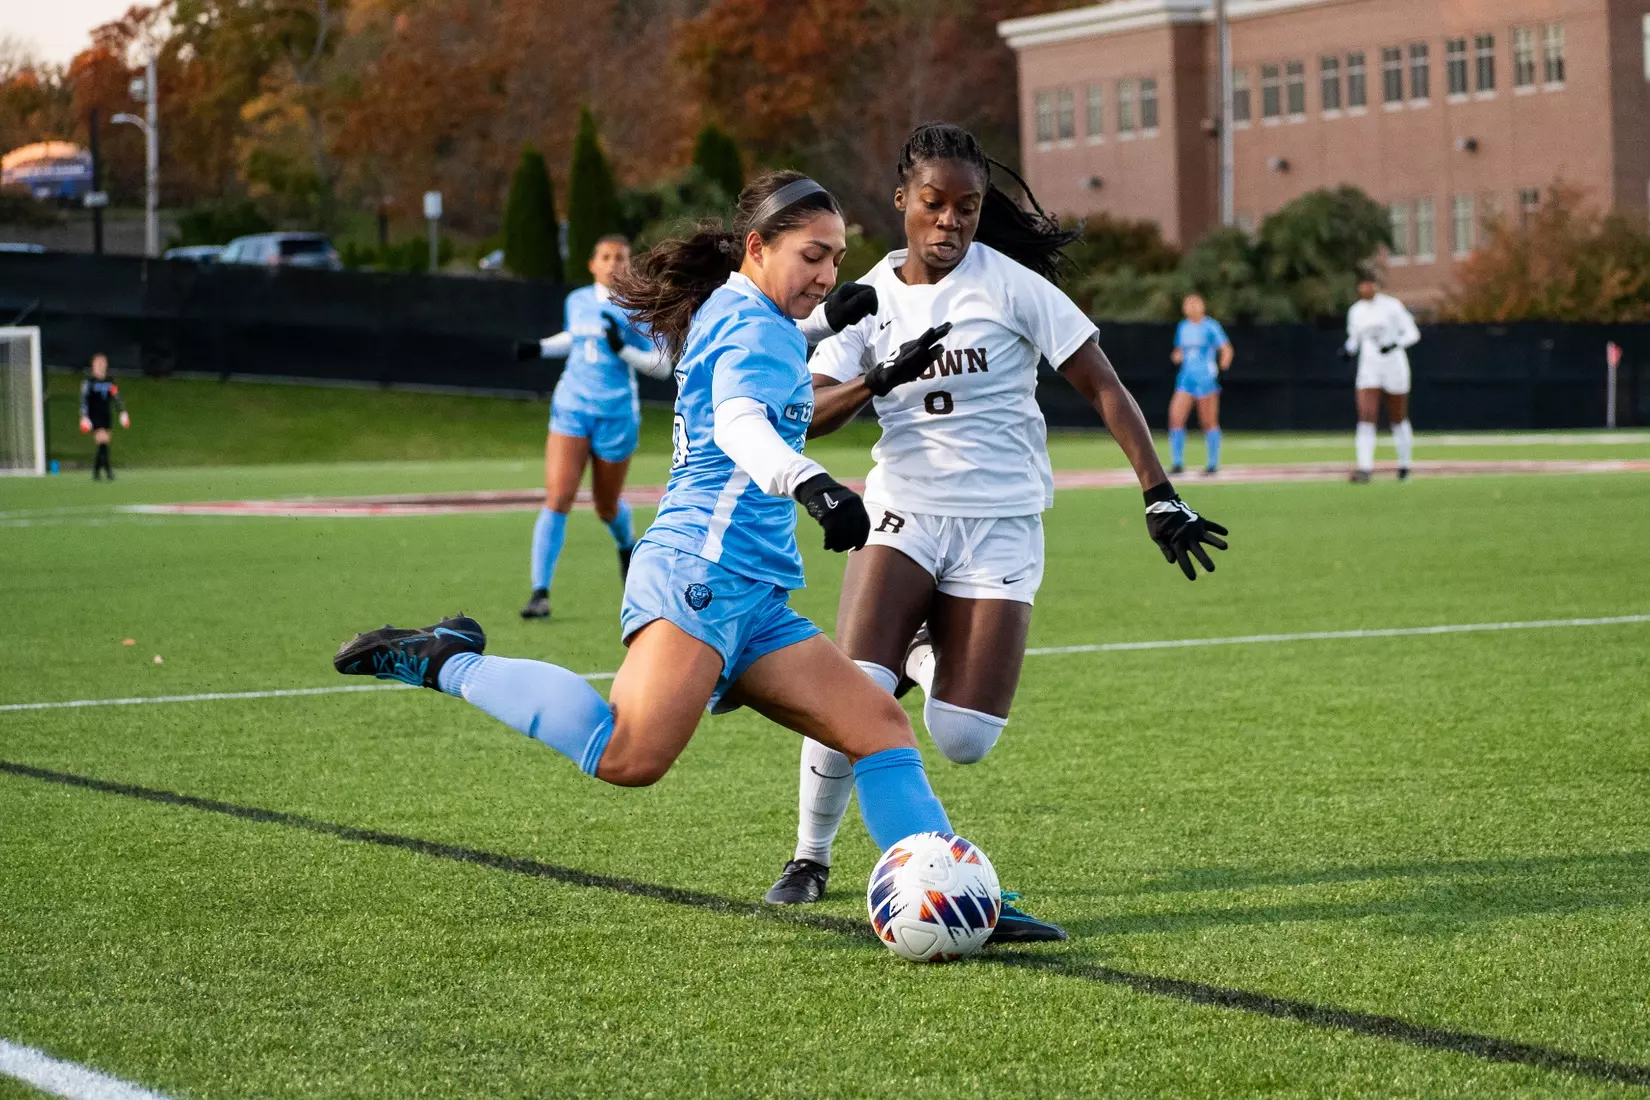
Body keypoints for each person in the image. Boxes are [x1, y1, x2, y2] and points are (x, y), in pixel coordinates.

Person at [334, 174, 1011, 921]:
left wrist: (820, 327)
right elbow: (739, 423)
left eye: (839, 260)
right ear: (757, 246)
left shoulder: (745, 310)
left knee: (878, 727)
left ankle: (955, 898)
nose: (827, 275)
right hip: (701, 573)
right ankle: (447, 659)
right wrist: (813, 484)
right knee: (629, 756)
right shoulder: (751, 327)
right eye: (813, 256)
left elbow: (758, 360)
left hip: (750, 590)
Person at [762, 122, 1229, 934]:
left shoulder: (1012, 286)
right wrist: (878, 378)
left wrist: (1158, 492)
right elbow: (806, 414)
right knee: (856, 694)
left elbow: (1104, 385)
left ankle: (915, 650)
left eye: (967, 208)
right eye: (935, 204)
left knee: (965, 738)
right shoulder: (867, 298)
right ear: (903, 200)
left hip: (1003, 523)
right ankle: (810, 854)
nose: (950, 222)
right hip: (904, 510)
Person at [512, 236, 674, 620]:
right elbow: (577, 337)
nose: (614, 263)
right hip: (571, 407)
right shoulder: (578, 300)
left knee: (605, 506)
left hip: (617, 415)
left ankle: (626, 545)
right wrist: (539, 348)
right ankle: (540, 592)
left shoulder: (641, 305)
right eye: (606, 257)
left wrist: (624, 349)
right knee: (559, 496)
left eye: (621, 257)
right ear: (592, 264)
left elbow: (662, 366)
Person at [1343, 276, 1420, 482]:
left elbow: (1413, 334)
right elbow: (1354, 339)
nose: (1365, 288)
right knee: (1366, 415)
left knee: (1398, 417)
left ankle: (1404, 466)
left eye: (1369, 284)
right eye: (1362, 284)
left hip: (1393, 366)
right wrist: (1347, 351)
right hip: (1369, 368)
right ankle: (1365, 468)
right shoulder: (1356, 311)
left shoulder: (1392, 307)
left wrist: (1394, 345)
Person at [1167, 294, 1233, 475]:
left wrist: (1223, 364)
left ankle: (1212, 464)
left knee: (1208, 421)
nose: (1192, 307)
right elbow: (1179, 350)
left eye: (1195, 304)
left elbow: (1226, 348)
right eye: (1188, 304)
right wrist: (1177, 356)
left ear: (1202, 306)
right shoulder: (1183, 327)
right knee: (1175, 417)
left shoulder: (1211, 326)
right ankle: (1177, 463)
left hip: (1205, 380)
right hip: (1185, 379)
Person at [79, 353, 130, 481]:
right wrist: (84, 416)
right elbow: (84, 400)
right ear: (93, 366)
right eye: (98, 363)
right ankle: (108, 471)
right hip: (94, 415)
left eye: (103, 363)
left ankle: (97, 472)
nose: (101, 366)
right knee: (102, 442)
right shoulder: (89, 382)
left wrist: (122, 411)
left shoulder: (110, 381)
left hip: (106, 414)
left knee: (104, 444)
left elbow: (116, 397)